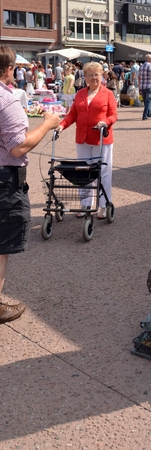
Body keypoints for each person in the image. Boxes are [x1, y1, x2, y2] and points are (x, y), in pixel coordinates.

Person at [0, 45, 60, 323]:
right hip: (4, 180)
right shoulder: (6, 99)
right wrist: (47, 123)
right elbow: (19, 147)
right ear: (10, 69)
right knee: (2, 246)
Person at [57, 62, 118, 220]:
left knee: (103, 172)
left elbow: (113, 115)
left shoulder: (107, 94)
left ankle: (104, 206)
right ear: (85, 77)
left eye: (96, 74)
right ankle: (85, 205)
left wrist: (105, 122)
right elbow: (72, 115)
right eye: (90, 75)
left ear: (102, 76)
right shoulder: (80, 94)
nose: (93, 78)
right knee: (83, 172)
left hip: (101, 138)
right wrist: (62, 126)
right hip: (82, 138)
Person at [138, 54, 151, 120]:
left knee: (146, 101)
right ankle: (145, 115)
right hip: (149, 85)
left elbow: (139, 77)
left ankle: (149, 113)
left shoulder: (141, 66)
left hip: (142, 86)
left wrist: (139, 86)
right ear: (150, 59)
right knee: (149, 101)